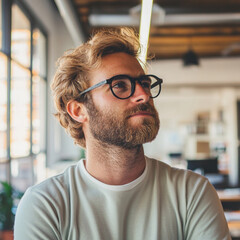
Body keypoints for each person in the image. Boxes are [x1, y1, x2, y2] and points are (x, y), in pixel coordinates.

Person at [14, 28, 231, 240]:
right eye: (119, 85)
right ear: (79, 110)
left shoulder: (191, 193)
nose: (144, 95)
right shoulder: (46, 205)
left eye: (144, 83)